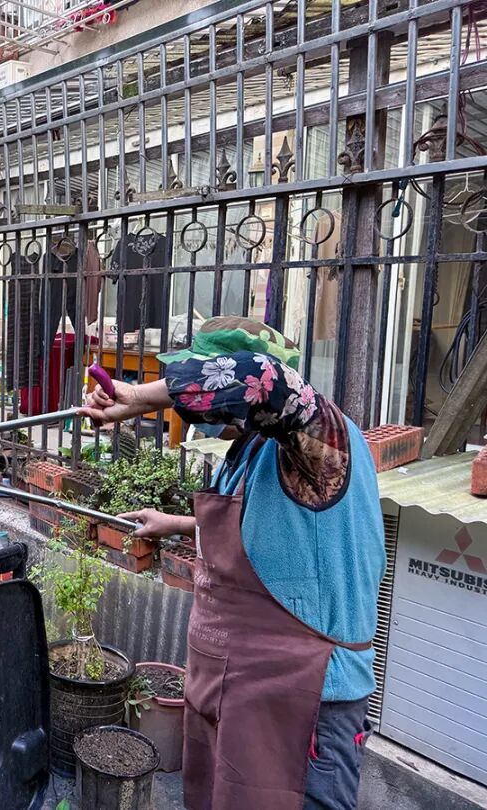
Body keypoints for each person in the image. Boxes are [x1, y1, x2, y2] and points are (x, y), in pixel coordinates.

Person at [80, 316, 385, 810]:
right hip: (236, 689)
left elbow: (262, 377)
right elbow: (267, 533)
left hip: (305, 699)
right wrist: (174, 523)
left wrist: (136, 397)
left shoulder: (321, 441)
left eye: (199, 380)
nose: (193, 401)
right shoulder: (247, 448)